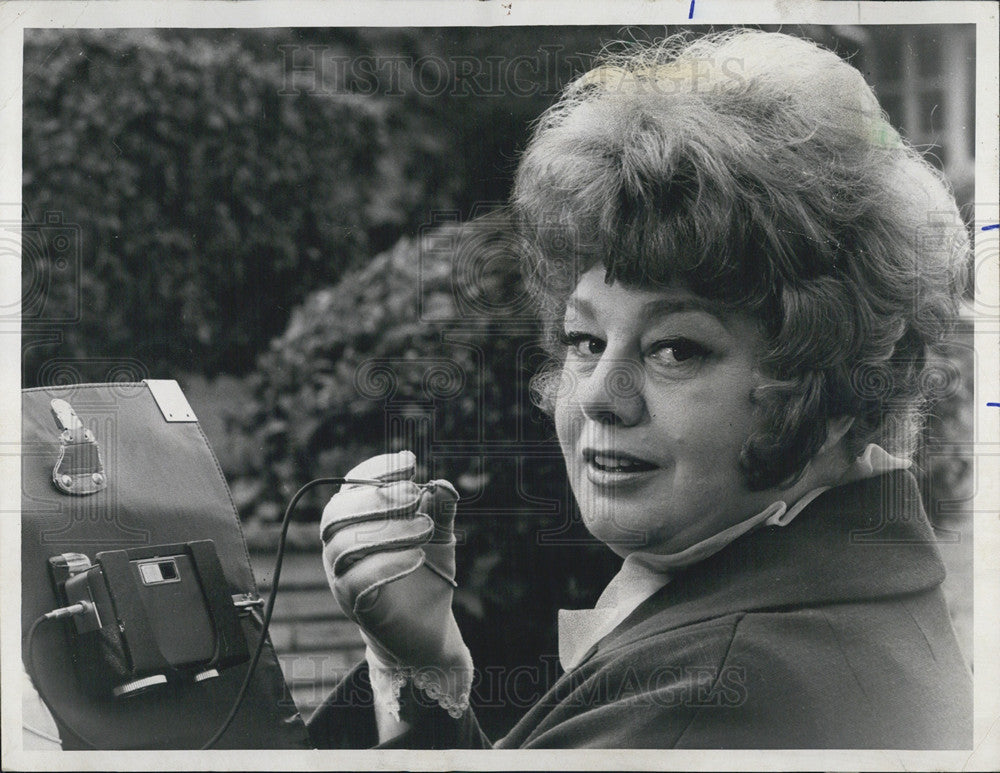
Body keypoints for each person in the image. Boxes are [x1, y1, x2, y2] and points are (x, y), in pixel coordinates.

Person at [307, 29, 972, 749]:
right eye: (585, 340)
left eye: (675, 349)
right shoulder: (839, 597)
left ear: (835, 388)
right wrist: (417, 665)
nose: (600, 395)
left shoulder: (709, 692)